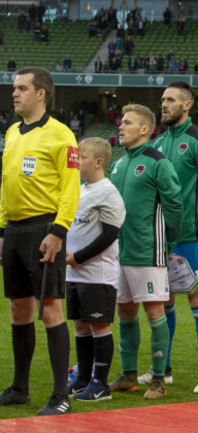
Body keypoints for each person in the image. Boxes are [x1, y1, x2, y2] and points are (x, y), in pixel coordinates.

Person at [0, 67, 80, 415]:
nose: (14, 93)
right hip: (14, 231)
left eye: (21, 88)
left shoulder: (61, 135)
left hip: (44, 229)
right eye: (13, 88)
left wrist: (58, 231)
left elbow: (70, 188)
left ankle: (61, 395)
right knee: (19, 311)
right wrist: (2, 231)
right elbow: (6, 184)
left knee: (50, 310)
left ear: (40, 93)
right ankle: (20, 388)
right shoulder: (12, 132)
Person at [140, 82, 198, 394]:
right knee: (164, 301)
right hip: (161, 238)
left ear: (187, 105)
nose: (164, 104)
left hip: (190, 236)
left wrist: (197, 216)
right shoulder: (159, 142)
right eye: (163, 99)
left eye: (171, 100)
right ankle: (164, 369)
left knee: (197, 299)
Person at [108, 104, 183, 400]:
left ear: (144, 129)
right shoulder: (119, 163)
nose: (120, 126)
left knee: (154, 311)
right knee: (124, 311)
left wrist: (167, 242)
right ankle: (128, 375)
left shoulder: (157, 162)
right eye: (120, 121)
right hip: (120, 251)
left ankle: (159, 378)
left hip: (148, 251)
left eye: (126, 122)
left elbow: (175, 207)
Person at [65, 138, 125, 402]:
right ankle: (83, 379)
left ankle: (101, 385)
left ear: (99, 162)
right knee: (80, 325)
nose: (77, 160)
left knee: (99, 325)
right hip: (74, 272)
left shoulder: (108, 191)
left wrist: (78, 257)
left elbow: (110, 234)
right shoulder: (82, 189)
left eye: (83, 156)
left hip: (97, 273)